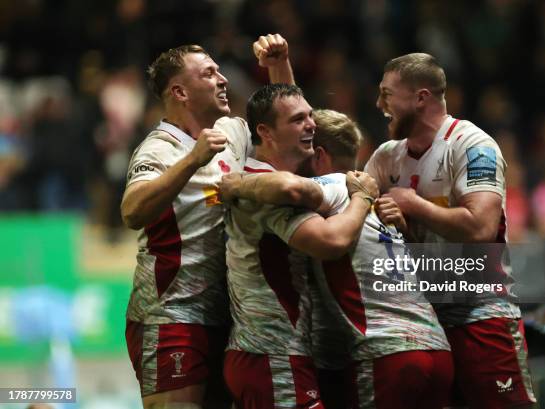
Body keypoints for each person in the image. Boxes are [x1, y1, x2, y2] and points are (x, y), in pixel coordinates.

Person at [221, 108, 454, 409]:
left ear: (319, 155)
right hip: (437, 349)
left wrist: (236, 183)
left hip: (386, 355)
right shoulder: (381, 204)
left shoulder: (337, 188)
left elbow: (288, 187)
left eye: (305, 152)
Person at [120, 34, 294, 409]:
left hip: (229, 317)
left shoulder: (232, 132)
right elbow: (132, 211)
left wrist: (277, 66)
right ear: (180, 92)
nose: (223, 79)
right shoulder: (159, 149)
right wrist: (191, 161)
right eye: (209, 73)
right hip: (171, 314)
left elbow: (291, 129)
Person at [364, 53, 537, 408]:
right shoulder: (385, 158)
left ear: (421, 97)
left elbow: (481, 226)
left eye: (386, 94)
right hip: (420, 322)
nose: (379, 104)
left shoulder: (473, 146)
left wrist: (411, 204)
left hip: (480, 314)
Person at [222, 84, 378, 409]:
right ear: (265, 132)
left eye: (311, 116)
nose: (311, 125)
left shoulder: (268, 178)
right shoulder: (265, 190)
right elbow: (331, 241)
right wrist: (363, 198)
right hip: (272, 353)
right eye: (298, 120)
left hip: (265, 353)